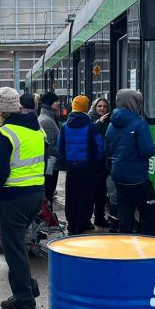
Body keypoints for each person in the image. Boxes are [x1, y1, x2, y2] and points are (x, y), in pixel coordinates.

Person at [0, 87, 45, 309]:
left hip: (14, 198)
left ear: (0, 109)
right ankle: (28, 286)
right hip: (35, 194)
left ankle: (23, 298)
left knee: (14, 249)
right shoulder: (36, 128)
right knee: (19, 244)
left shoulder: (6, 134)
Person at [105, 89, 155, 235]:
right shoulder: (139, 124)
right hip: (136, 178)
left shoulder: (111, 124)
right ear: (134, 103)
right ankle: (149, 245)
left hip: (118, 176)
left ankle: (125, 245)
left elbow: (108, 150)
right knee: (152, 213)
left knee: (126, 213)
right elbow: (146, 150)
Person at [57, 95, 104, 235]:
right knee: (86, 196)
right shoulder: (91, 126)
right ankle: (82, 224)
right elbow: (99, 147)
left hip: (72, 167)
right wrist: (95, 163)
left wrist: (67, 161)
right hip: (87, 168)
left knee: (71, 196)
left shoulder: (65, 126)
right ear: (86, 108)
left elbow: (60, 147)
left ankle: (71, 225)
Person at [88, 97, 112, 227]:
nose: (102, 109)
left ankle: (99, 217)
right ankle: (89, 218)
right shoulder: (90, 119)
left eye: (104, 106)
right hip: (93, 162)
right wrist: (99, 122)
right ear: (95, 107)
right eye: (99, 106)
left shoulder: (111, 121)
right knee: (92, 192)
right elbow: (88, 134)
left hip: (104, 161)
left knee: (101, 193)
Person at [37, 92, 62, 206]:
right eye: (56, 101)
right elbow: (49, 146)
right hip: (50, 166)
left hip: (51, 164)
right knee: (48, 192)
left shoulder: (48, 118)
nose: (58, 103)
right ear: (50, 103)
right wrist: (60, 155)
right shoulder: (46, 121)